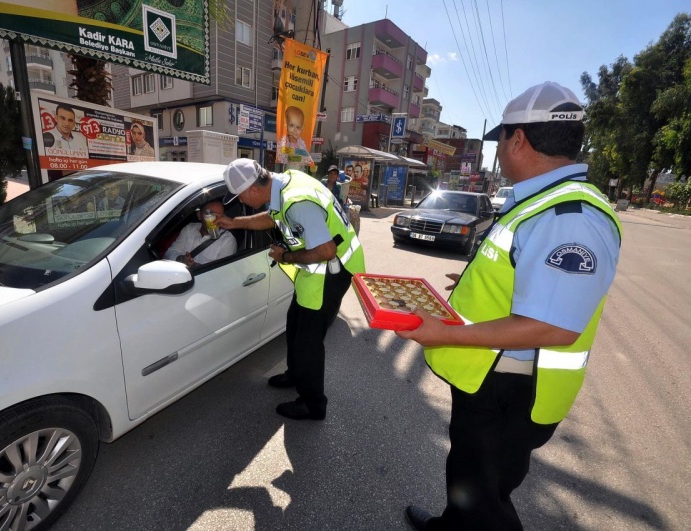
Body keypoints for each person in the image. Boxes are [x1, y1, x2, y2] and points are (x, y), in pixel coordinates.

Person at [399, 81, 622, 530]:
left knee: (487, 500)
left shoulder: (569, 217)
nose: (499, 152)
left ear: (517, 138)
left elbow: (553, 326)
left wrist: (445, 332)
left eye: (500, 139)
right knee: (469, 476)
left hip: (509, 389)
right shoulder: (543, 202)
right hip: (494, 378)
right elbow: (524, 278)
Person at [217, 159, 365, 420]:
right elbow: (271, 217)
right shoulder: (283, 185)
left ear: (253, 190)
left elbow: (325, 250)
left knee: (309, 340)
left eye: (239, 196)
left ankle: (313, 404)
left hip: (332, 270)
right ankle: (296, 374)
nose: (240, 201)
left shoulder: (298, 202)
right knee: (295, 323)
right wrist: (235, 222)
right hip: (316, 271)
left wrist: (285, 257)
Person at [164, 200, 237, 267]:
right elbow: (170, 252)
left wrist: (194, 266)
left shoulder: (227, 241)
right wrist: (181, 259)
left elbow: (220, 272)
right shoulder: (190, 228)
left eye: (220, 216)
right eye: (210, 215)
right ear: (199, 215)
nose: (216, 220)